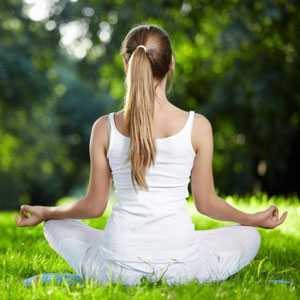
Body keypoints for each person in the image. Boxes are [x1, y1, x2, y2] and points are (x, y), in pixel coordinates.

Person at [15, 24, 288, 286]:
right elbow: (206, 204)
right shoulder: (198, 126)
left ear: (126, 65)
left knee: (53, 225)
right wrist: (254, 220)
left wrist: (47, 211)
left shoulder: (104, 127)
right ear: (171, 65)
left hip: (114, 268)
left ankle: (104, 264)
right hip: (181, 267)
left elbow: (94, 206)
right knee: (248, 235)